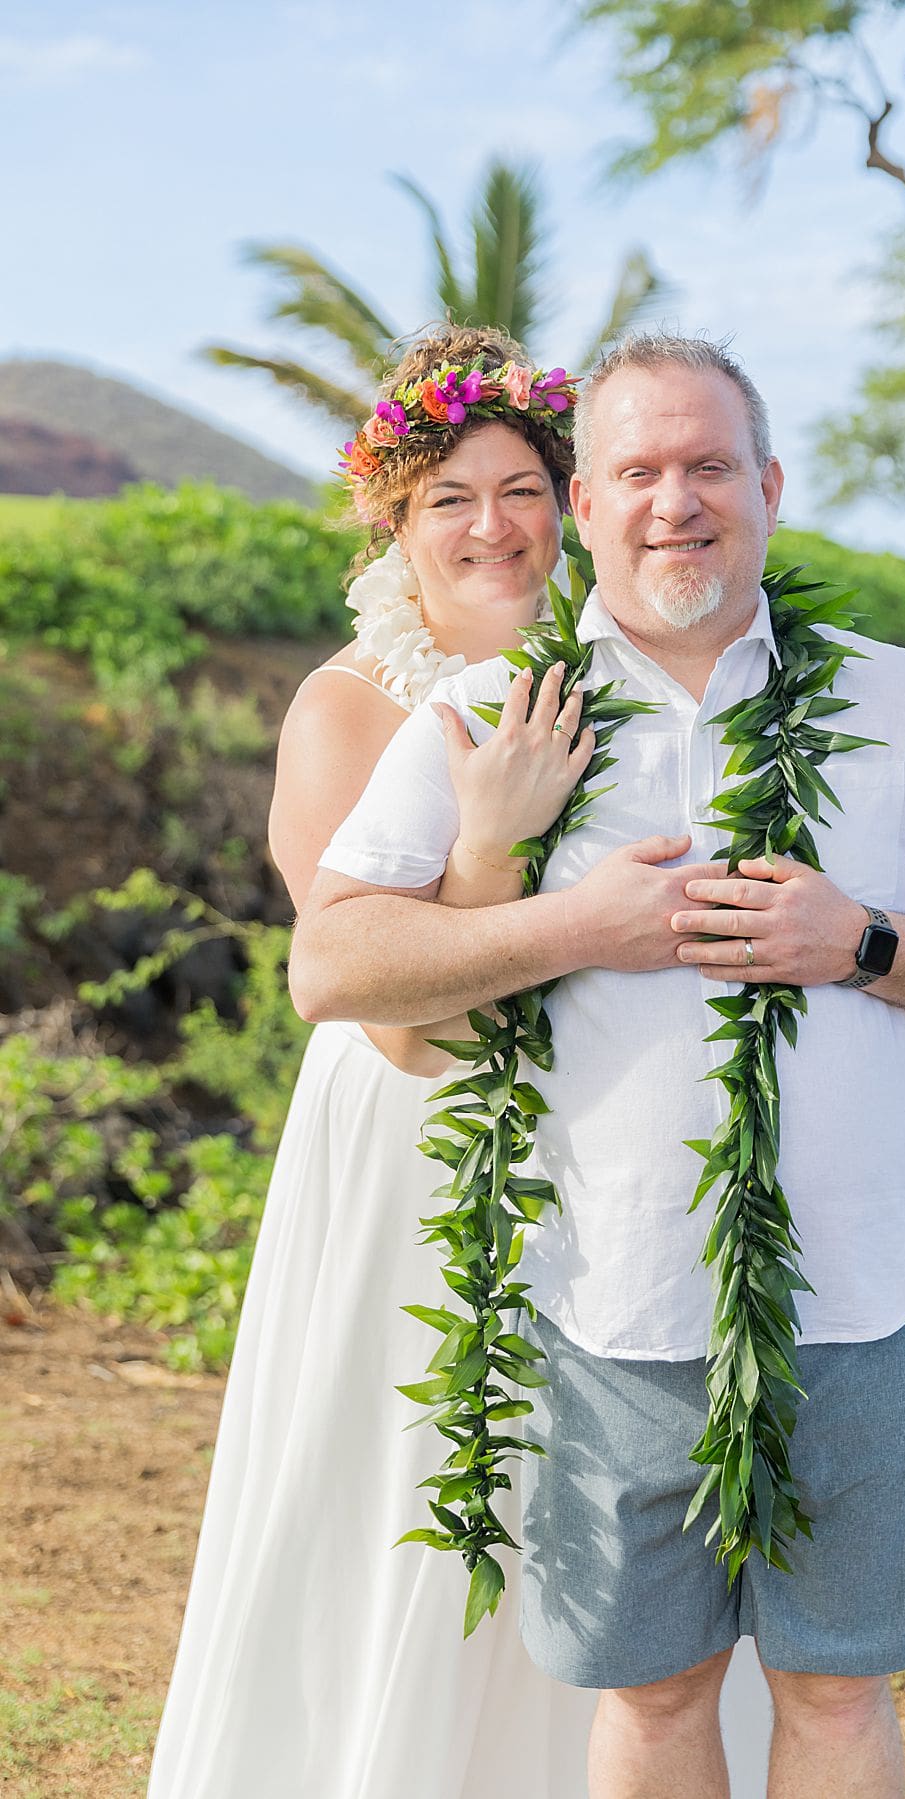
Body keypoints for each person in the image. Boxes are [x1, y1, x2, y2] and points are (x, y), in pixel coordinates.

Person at [293, 332, 905, 1799]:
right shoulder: (492, 714)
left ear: (769, 484)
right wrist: (569, 920)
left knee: (838, 1697)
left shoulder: (897, 697)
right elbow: (332, 965)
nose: (676, 502)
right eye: (637, 471)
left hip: (867, 1295)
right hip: (612, 1308)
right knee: (652, 1706)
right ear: (584, 507)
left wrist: (864, 941)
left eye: (709, 464)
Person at [146, 323, 603, 1799]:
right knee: (416, 1476)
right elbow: (391, 1009)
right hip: (419, 1135)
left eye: (521, 486)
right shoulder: (349, 708)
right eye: (448, 499)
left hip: (587, 1125)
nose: (491, 527)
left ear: (568, 498)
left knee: (579, 1483)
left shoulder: (619, 674)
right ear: (394, 523)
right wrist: (502, 837)